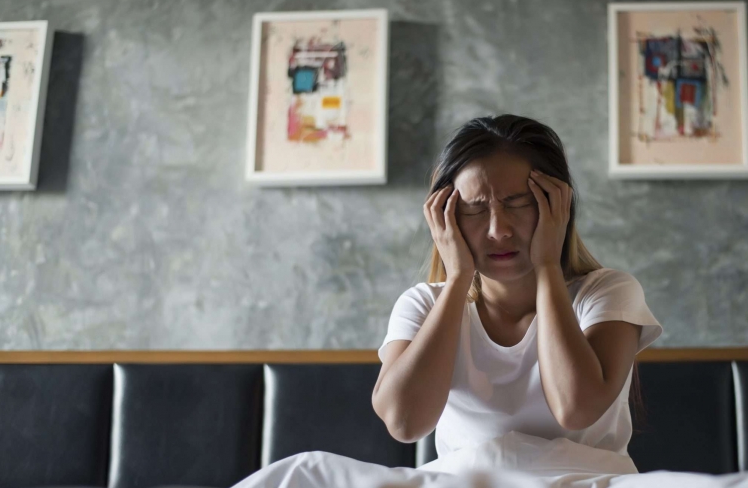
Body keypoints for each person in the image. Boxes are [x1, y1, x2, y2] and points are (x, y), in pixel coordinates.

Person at [231, 114, 662, 487]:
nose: (498, 230)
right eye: (475, 209)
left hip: (585, 480)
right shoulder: (423, 303)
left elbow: (576, 407)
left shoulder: (605, 292)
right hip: (465, 481)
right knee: (299, 474)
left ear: (558, 206)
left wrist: (548, 264)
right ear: (446, 217)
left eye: (520, 204)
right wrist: (457, 279)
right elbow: (404, 423)